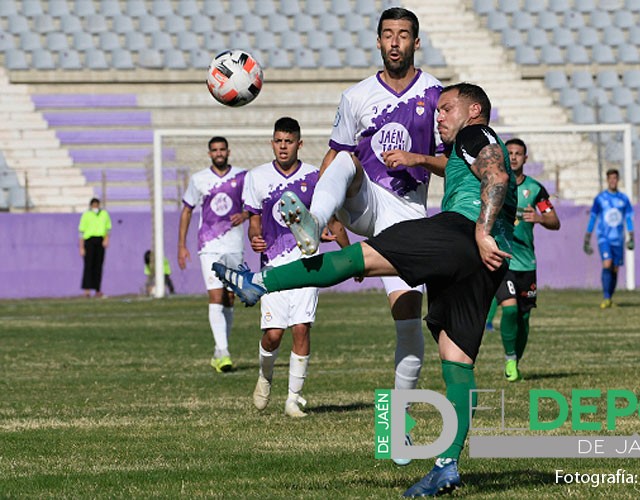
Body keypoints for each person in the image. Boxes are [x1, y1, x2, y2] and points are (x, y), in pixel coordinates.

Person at [214, 83, 515, 497]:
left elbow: (496, 174)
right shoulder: (467, 145)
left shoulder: (473, 134)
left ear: (474, 110)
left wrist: (478, 230)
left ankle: (261, 282)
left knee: (360, 260)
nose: (439, 117)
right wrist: (430, 167)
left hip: (460, 233)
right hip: (490, 260)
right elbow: (481, 172)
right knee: (457, 361)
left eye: (446, 109)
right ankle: (447, 466)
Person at [279, 7, 445, 461]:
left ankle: (394, 434)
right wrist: (327, 213)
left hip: (408, 216)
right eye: (388, 35)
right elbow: (334, 157)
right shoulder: (355, 97)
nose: (395, 42)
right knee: (349, 162)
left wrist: (418, 158)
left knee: (409, 323)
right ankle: (309, 224)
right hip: (365, 200)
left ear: (416, 42)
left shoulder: (435, 95)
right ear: (377, 42)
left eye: (404, 35)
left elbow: (458, 165)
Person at [244, 117, 350, 417]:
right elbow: (254, 220)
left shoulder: (315, 178)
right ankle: (265, 376)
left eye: (288, 141)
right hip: (274, 267)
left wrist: (351, 256)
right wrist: (254, 237)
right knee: (274, 335)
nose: (283, 147)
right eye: (278, 141)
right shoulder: (257, 177)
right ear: (272, 142)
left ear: (299, 144)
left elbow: (331, 219)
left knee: (301, 329)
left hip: (308, 264)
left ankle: (294, 398)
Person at [178, 136, 247, 373]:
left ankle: (220, 350)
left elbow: (253, 205)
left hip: (234, 245)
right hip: (208, 246)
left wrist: (245, 216)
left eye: (222, 149)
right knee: (216, 297)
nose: (218, 153)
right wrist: (181, 245)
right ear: (209, 154)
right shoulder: (199, 180)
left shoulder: (242, 176)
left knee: (229, 299)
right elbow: (186, 211)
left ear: (228, 151)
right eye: (214, 150)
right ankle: (224, 351)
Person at [493, 139, 560, 382]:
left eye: (518, 153)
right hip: (504, 261)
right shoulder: (495, 184)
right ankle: (510, 358)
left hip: (527, 264)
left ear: (525, 158)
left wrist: (540, 219)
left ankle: (515, 362)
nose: (513, 157)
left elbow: (555, 221)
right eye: (509, 153)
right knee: (509, 309)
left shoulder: (535, 190)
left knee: (523, 318)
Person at [583, 169, 634, 308]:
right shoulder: (600, 199)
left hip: (618, 239)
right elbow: (593, 218)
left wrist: (631, 236)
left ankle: (610, 297)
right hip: (604, 238)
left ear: (618, 180)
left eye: (615, 178)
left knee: (615, 268)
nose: (613, 181)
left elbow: (628, 218)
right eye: (610, 178)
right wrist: (587, 237)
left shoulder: (624, 199)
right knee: (607, 263)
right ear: (607, 180)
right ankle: (605, 297)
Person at [78, 197, 112, 298]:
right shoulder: (86, 215)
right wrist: (81, 247)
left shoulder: (104, 214)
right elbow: (81, 231)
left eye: (96, 205)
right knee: (88, 266)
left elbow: (108, 228)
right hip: (89, 241)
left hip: (100, 241)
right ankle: (87, 290)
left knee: (99, 266)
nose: (95, 207)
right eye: (93, 205)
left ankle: (98, 289)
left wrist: (106, 239)